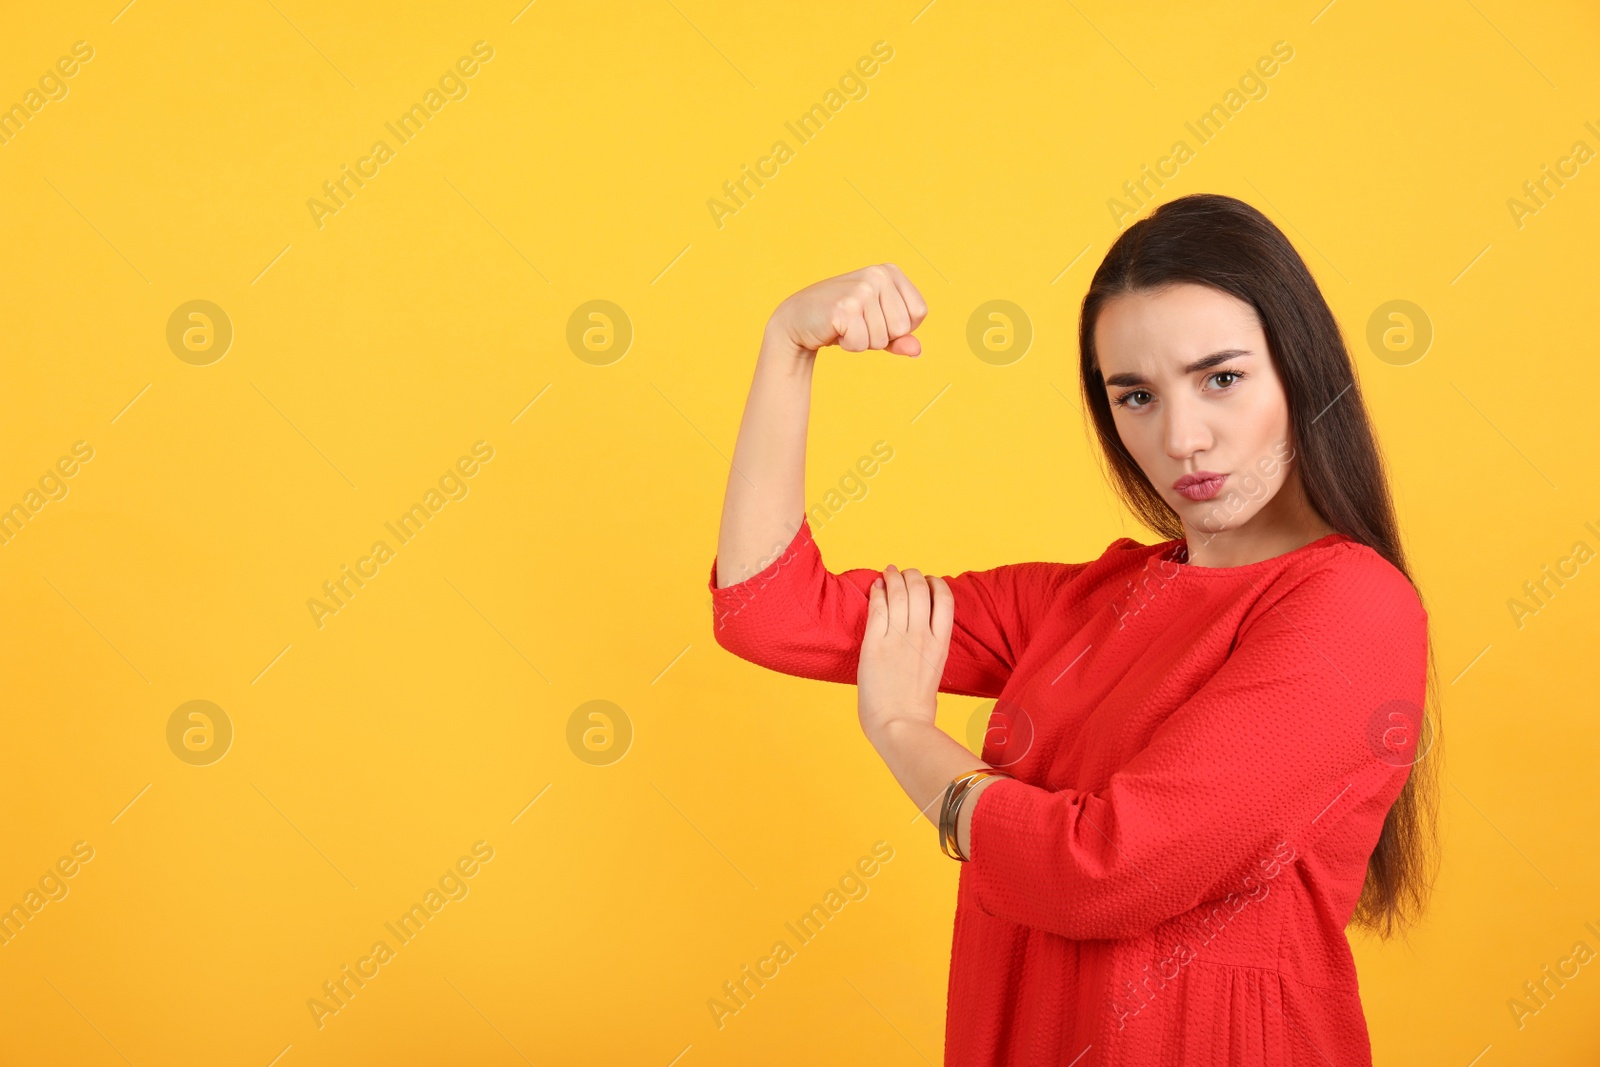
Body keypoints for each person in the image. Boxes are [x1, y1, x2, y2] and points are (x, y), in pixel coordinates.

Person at [707, 192, 1440, 1066]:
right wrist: (787, 346)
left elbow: (1106, 871)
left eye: (1223, 377)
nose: (1181, 436)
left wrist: (906, 734)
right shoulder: (1083, 604)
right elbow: (768, 612)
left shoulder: (1353, 605)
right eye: (1135, 394)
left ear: (1301, 369)